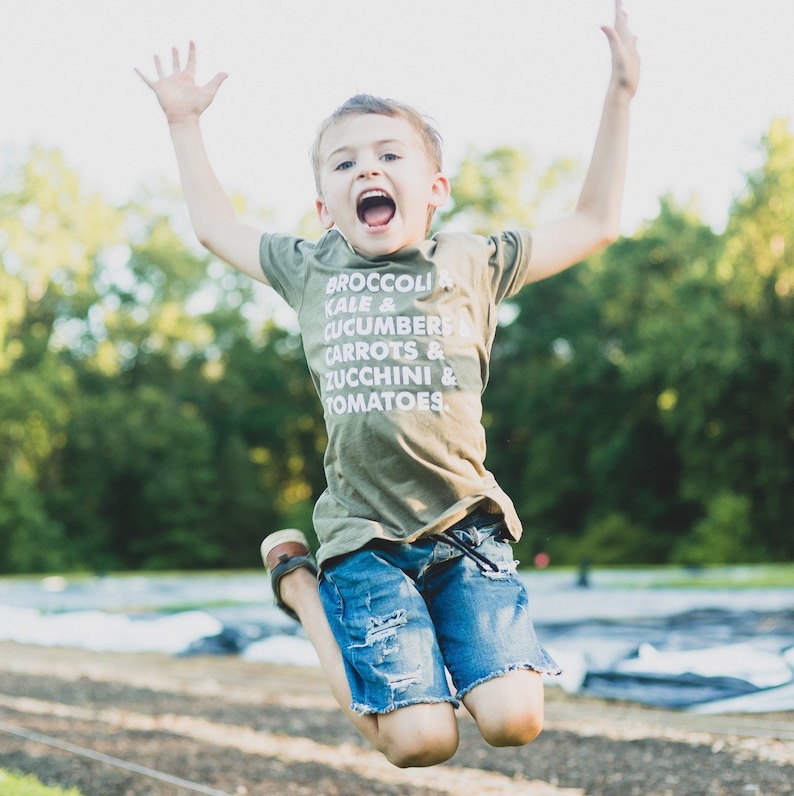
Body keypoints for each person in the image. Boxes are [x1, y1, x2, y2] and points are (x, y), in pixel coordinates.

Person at [137, 0, 639, 769]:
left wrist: (621, 95)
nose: (367, 169)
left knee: (514, 722)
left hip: (465, 531)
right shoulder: (308, 269)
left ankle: (374, 619)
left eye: (388, 155)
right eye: (344, 163)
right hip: (363, 543)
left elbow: (596, 220)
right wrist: (182, 124)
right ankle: (301, 590)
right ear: (325, 208)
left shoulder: (473, 261)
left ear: (434, 188)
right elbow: (215, 227)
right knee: (420, 742)